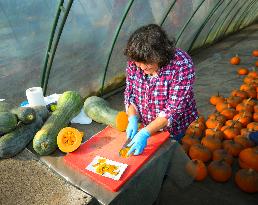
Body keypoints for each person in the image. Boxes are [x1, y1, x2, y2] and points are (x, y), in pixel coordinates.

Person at [123, 24, 198, 156]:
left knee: (175, 157)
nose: (140, 67)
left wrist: (145, 132)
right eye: (137, 62)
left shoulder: (181, 65)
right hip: (147, 124)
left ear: (161, 55)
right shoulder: (137, 60)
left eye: (146, 62)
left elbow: (172, 110)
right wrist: (133, 118)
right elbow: (130, 92)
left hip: (175, 128)